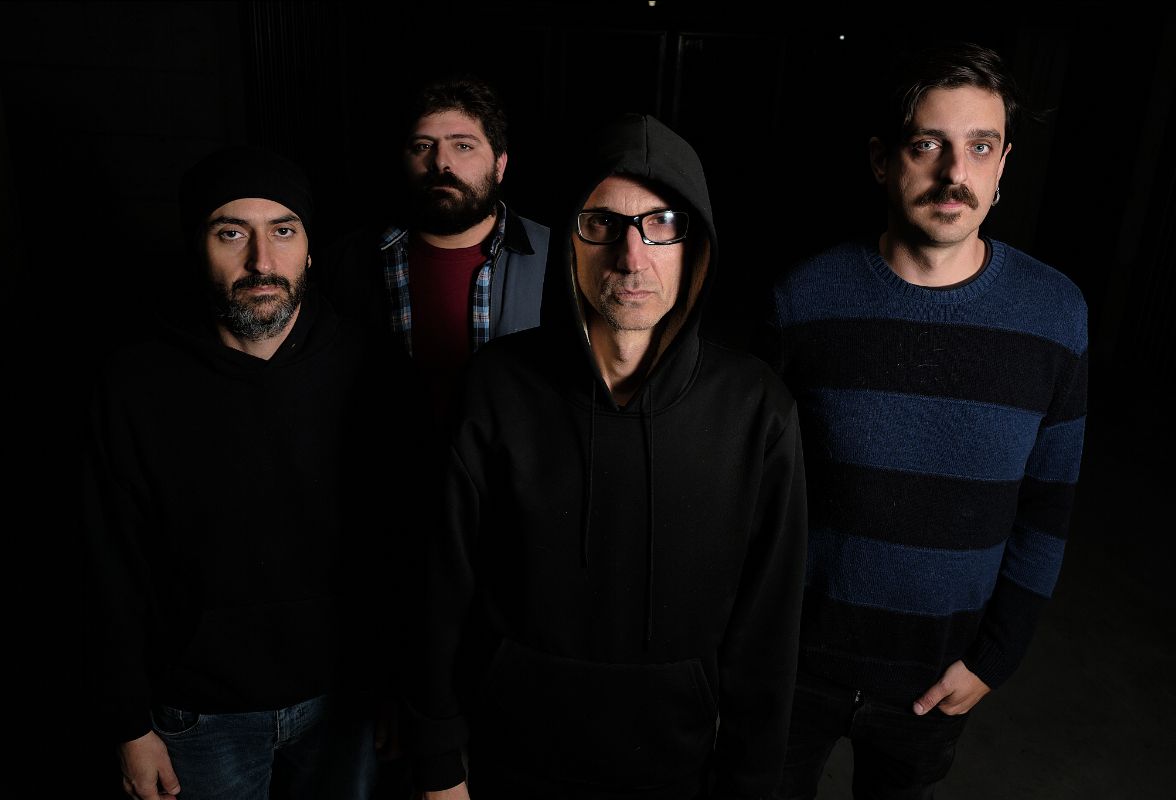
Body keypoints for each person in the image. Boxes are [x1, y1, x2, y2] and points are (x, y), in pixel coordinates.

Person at [405, 113, 808, 800]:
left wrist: (751, 783)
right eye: (603, 224)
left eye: (661, 224)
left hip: (679, 771)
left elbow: (768, 633)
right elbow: (441, 588)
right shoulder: (496, 387)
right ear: (570, 239)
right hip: (510, 762)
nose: (631, 255)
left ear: (694, 245)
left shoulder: (757, 410)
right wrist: (437, 761)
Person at [760, 42, 1088, 799]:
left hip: (937, 679)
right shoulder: (802, 300)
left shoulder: (1055, 314)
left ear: (1004, 165)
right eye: (927, 145)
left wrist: (994, 660)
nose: (954, 174)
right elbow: (753, 490)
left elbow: (1049, 509)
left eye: (981, 147)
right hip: (794, 662)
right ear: (883, 160)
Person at [84, 145, 413, 800]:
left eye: (283, 231)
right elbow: (105, 562)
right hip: (198, 717)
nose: (262, 261)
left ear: (310, 249)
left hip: (345, 702)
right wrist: (127, 725)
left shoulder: (373, 371)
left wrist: (402, 688)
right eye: (231, 233)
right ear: (197, 247)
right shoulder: (133, 385)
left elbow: (403, 547)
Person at [322, 74, 549, 421]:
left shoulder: (557, 256)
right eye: (423, 146)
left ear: (499, 165)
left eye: (463, 146)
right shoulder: (347, 261)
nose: (441, 162)